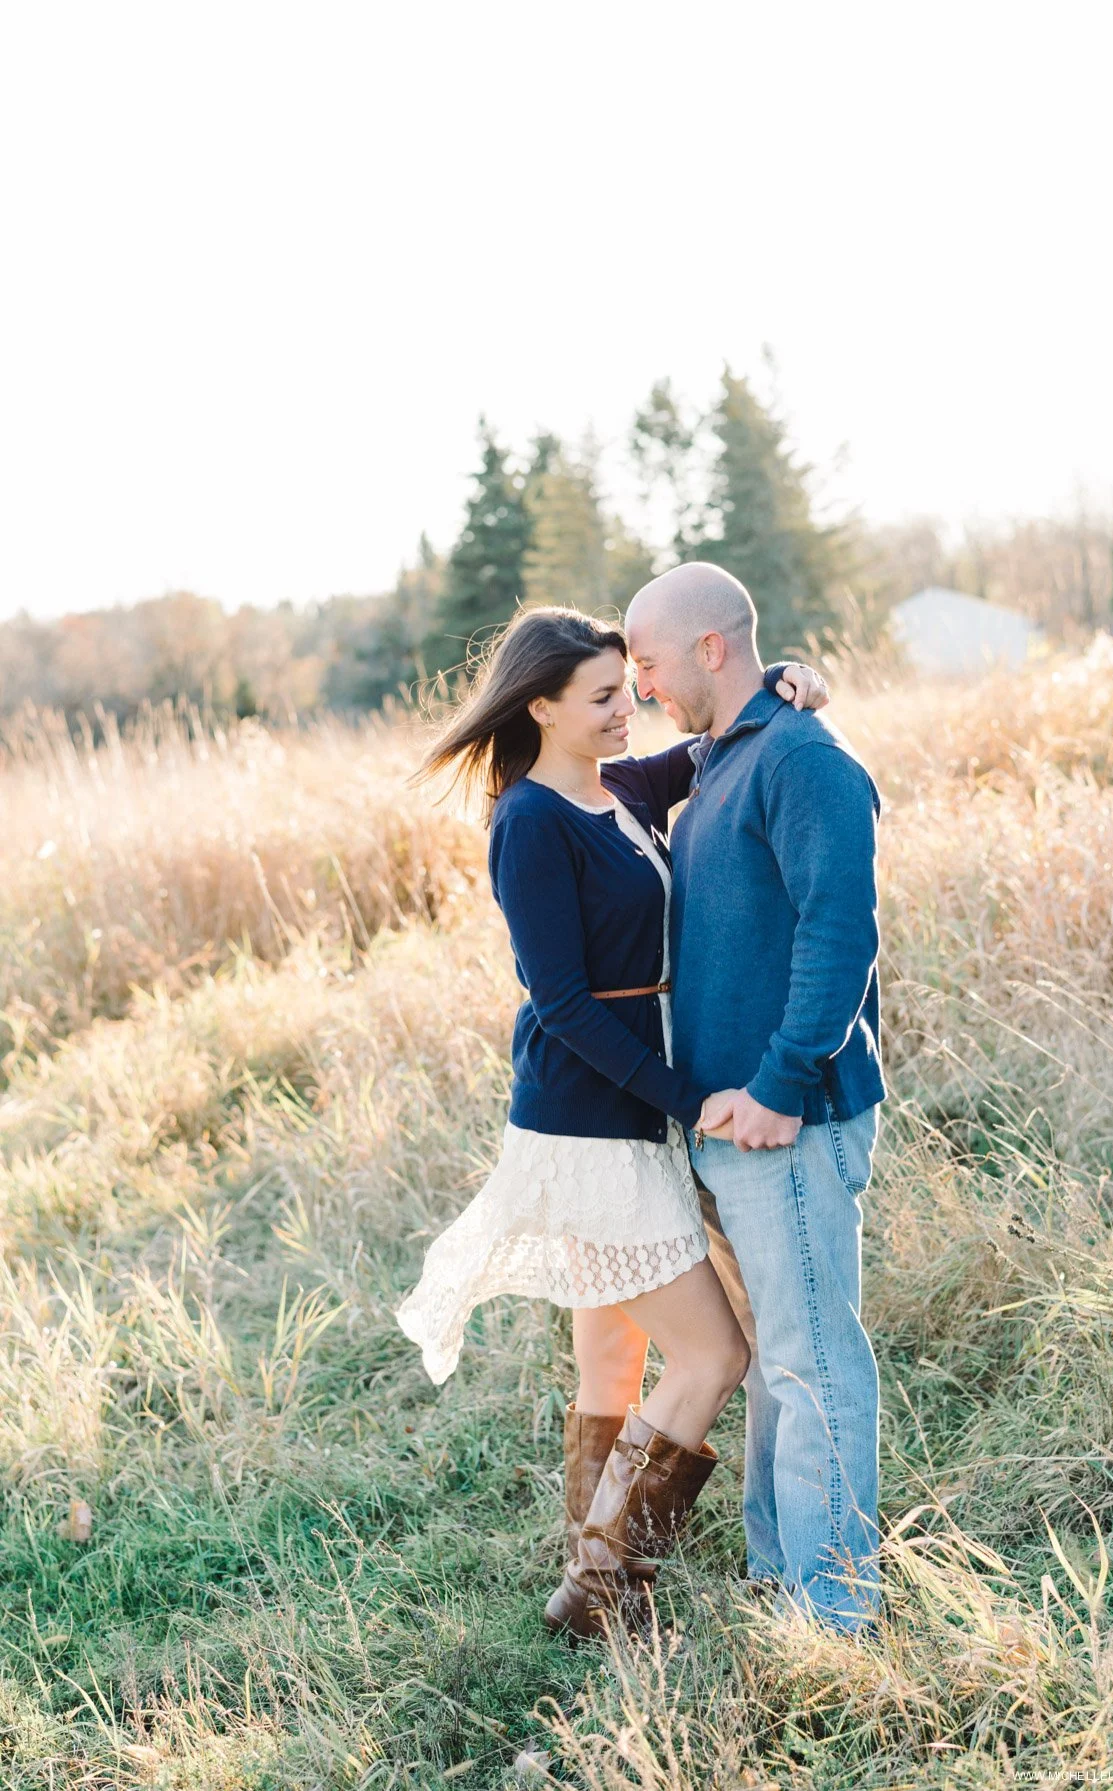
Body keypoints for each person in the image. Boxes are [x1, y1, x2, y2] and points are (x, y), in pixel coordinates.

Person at [395, 605, 827, 1640]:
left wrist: (788, 683)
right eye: (600, 698)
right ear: (539, 707)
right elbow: (564, 1005)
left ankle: (591, 1566)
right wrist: (693, 1098)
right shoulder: (531, 822)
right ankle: (603, 1581)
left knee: (611, 1363)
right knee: (715, 1356)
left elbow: (709, 742)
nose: (626, 707)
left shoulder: (617, 786)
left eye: (627, 686)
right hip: (588, 1118)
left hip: (619, 1109)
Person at [624, 562, 886, 1634]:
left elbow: (840, 932)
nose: (641, 687)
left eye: (648, 663)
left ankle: (837, 1613)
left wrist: (780, 1085)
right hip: (733, 1125)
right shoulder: (725, 755)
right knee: (784, 1356)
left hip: (792, 1118)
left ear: (710, 650)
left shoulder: (803, 762)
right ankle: (782, 1574)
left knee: (814, 1357)